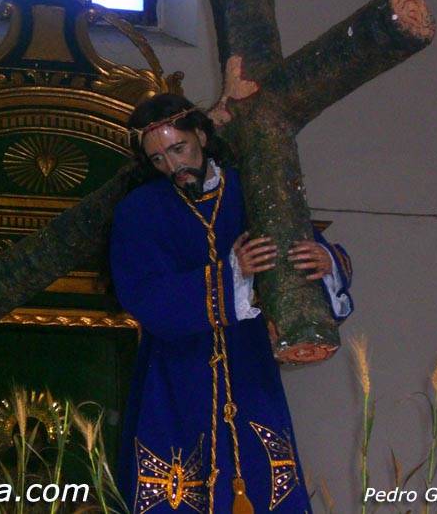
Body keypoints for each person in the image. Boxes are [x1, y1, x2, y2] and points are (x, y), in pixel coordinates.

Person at [110, 93, 353, 514]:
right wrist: (230, 275)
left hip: (249, 368)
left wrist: (326, 262)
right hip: (176, 377)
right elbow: (144, 296)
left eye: (179, 149)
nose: (173, 166)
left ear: (201, 136)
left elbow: (303, 246)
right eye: (158, 159)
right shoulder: (140, 211)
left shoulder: (253, 188)